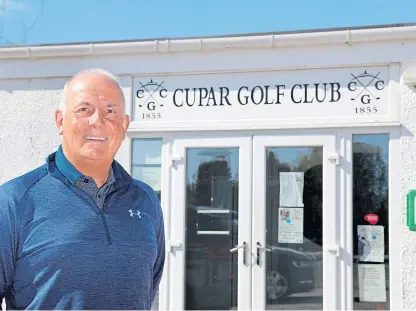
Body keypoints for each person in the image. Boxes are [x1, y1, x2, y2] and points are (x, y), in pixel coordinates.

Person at [0, 69, 165, 310]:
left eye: (111, 111)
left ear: (125, 125)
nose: (98, 120)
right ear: (60, 121)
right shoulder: (14, 201)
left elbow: (146, 290)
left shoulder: (145, 200)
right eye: (84, 110)